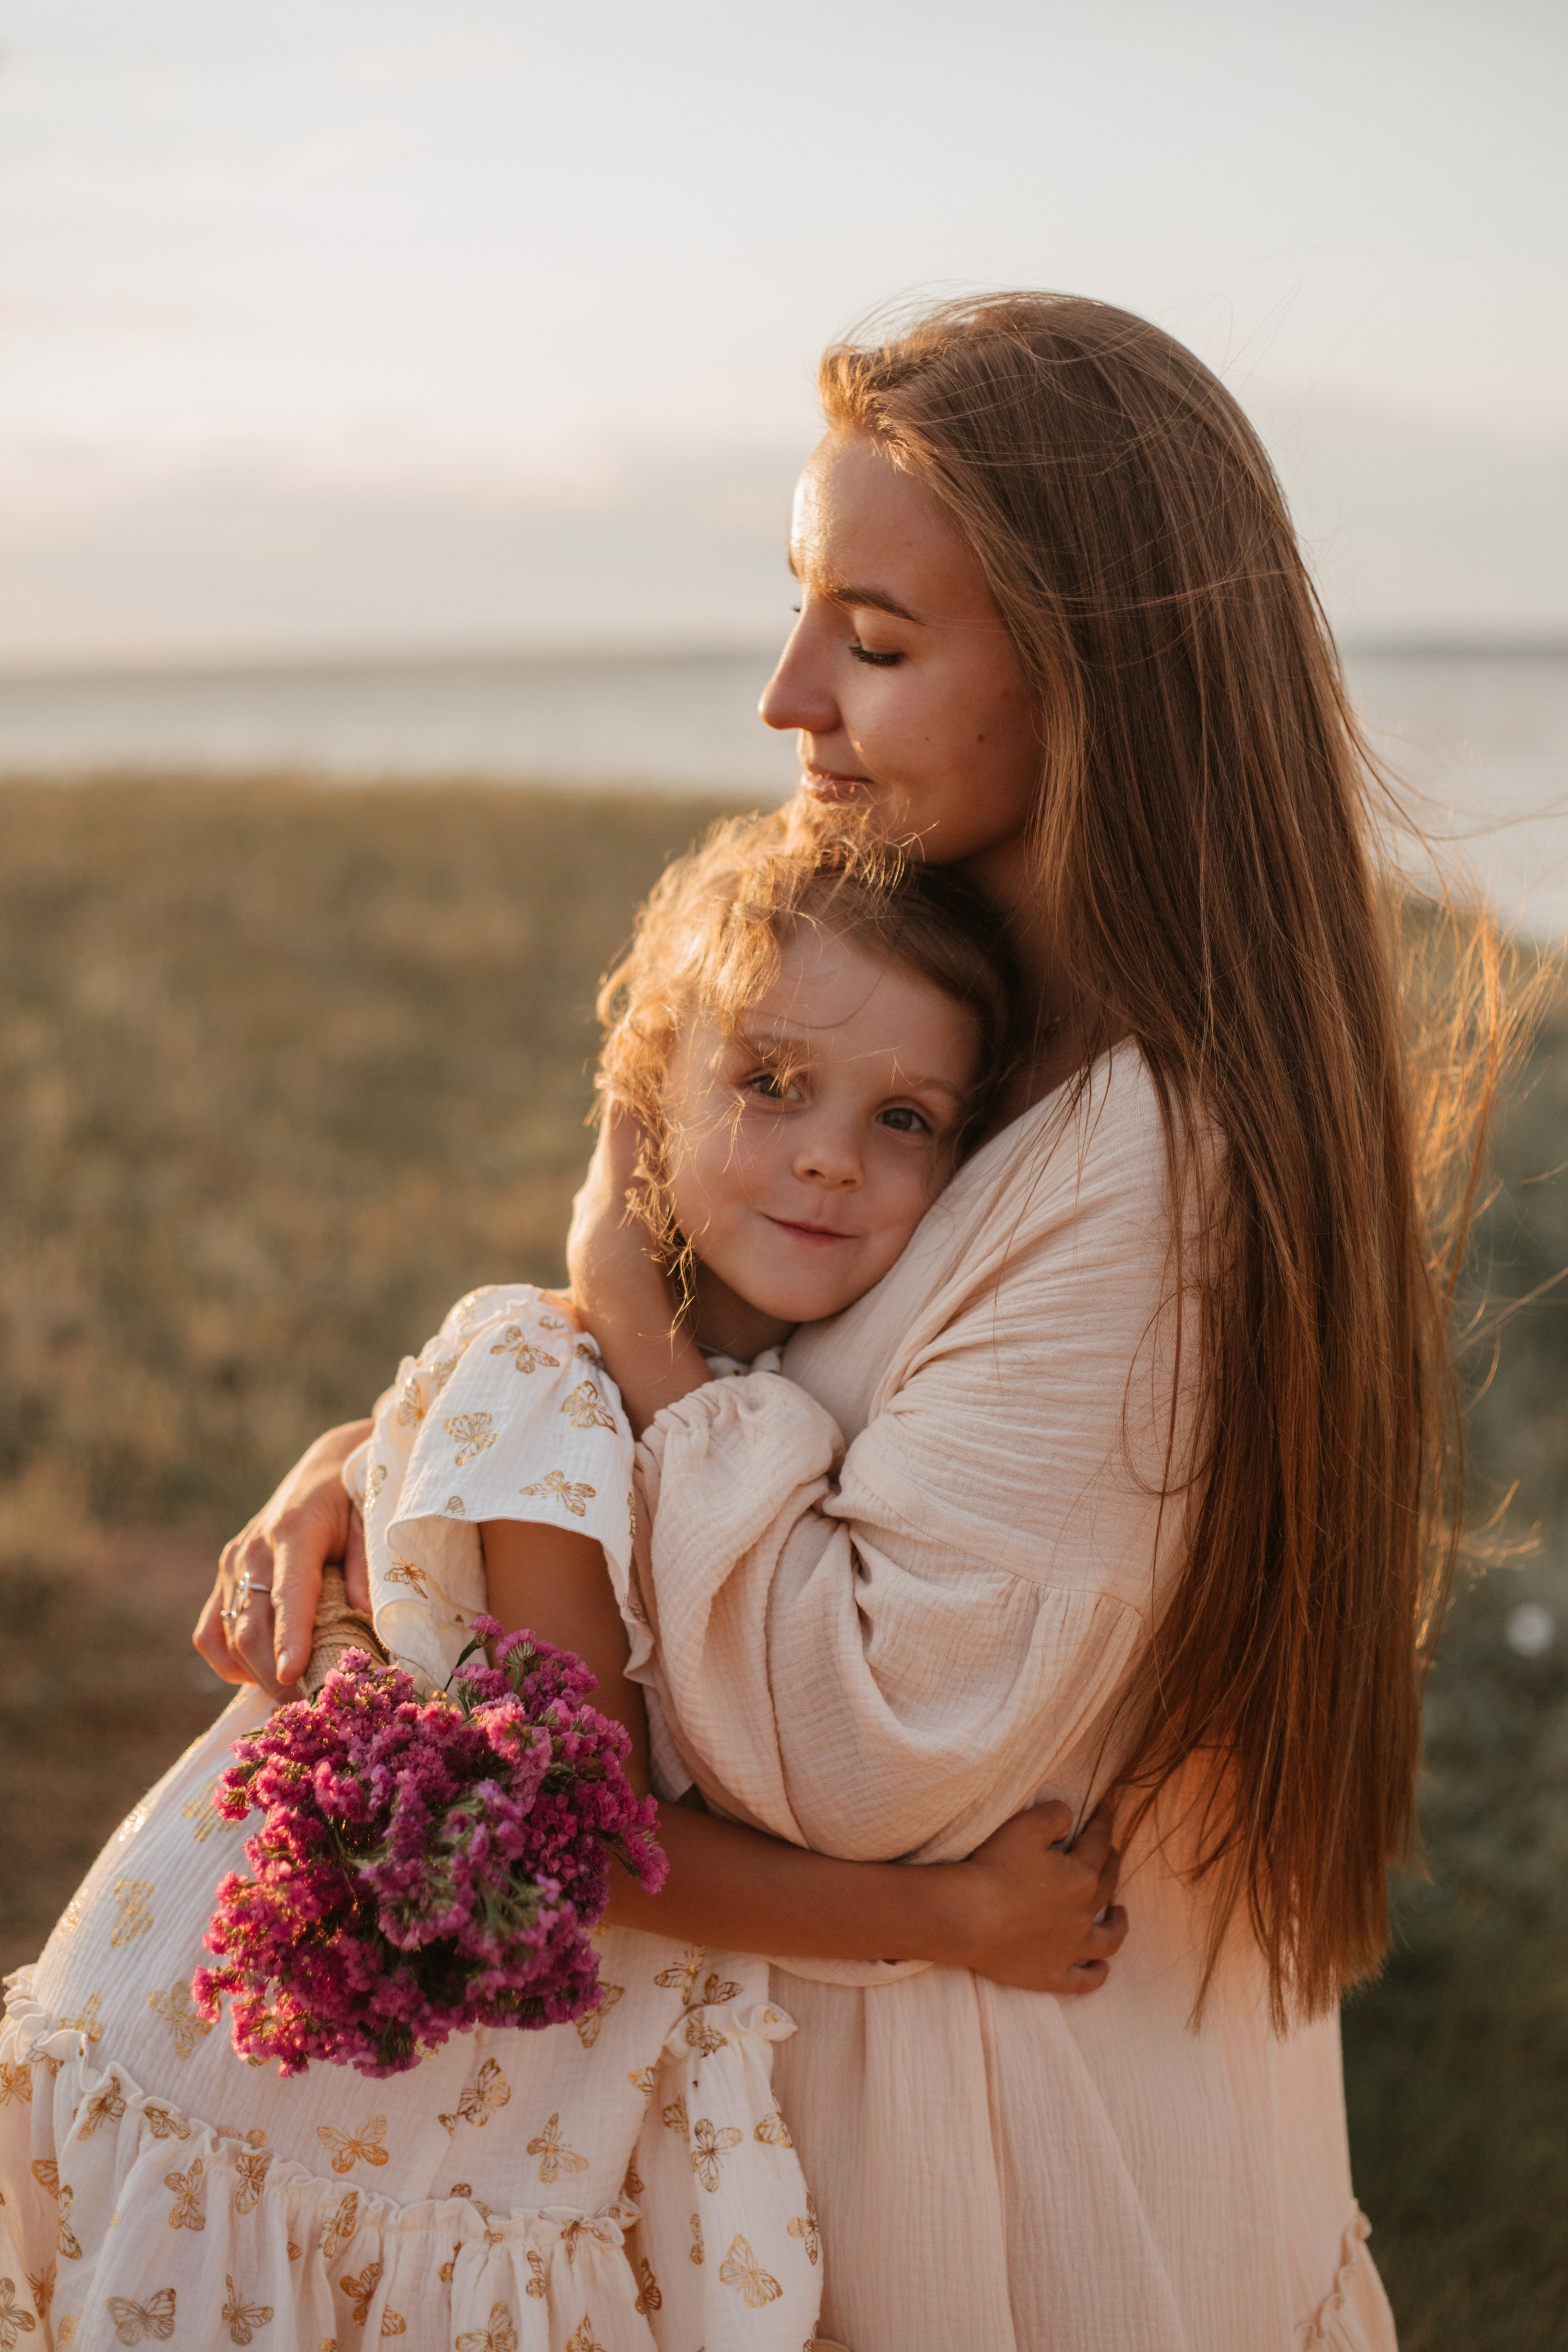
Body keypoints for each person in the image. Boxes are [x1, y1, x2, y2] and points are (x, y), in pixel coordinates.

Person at [175, 293, 1464, 2347]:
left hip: (1034, 2194)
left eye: (872, 638)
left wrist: (621, 1317)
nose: (790, 695)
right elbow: (715, 1348)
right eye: (805, 615)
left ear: (1094, 678)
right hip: (842, 2139)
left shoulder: (1151, 1169)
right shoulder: (961, 1039)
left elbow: (859, 1742)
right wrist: (415, 1440)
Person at [0, 820, 1121, 2352]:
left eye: (906, 1116)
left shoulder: (758, 1387)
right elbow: (563, 1847)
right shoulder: (553, 1378)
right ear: (643, 1095)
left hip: (462, 2134)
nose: (826, 1153)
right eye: (769, 1082)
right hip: (281, 2110)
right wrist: (954, 1916)